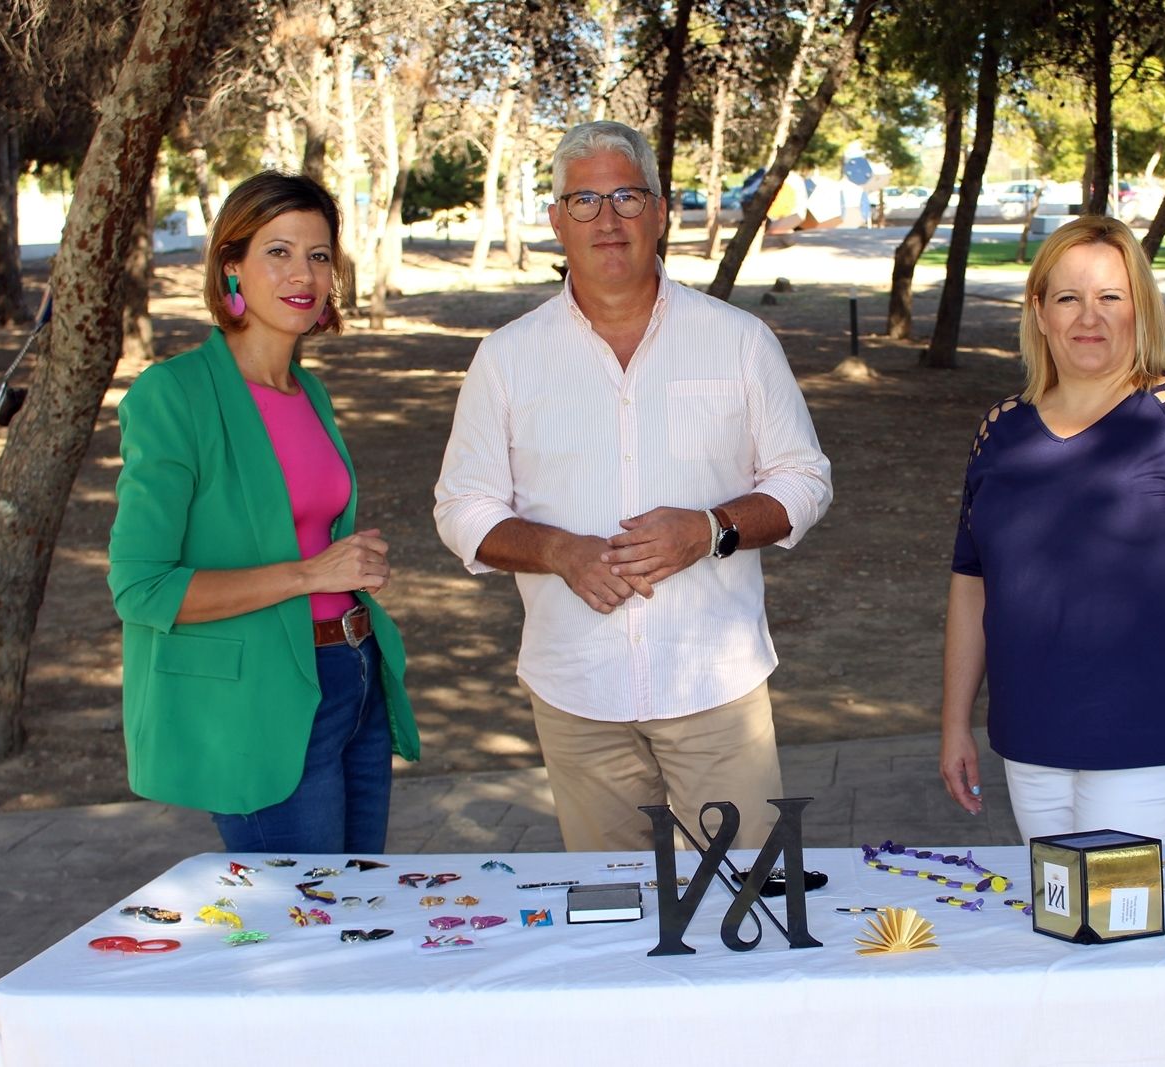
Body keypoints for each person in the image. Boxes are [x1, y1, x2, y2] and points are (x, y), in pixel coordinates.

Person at [434, 120, 831, 852]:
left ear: (661, 210)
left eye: (626, 195)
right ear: (555, 221)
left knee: (750, 904)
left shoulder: (740, 340)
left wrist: (708, 529)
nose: (607, 219)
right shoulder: (507, 358)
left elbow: (803, 479)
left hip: (715, 688)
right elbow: (463, 505)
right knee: (614, 920)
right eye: (582, 201)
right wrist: (558, 551)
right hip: (576, 690)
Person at [938, 215, 1165, 846]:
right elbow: (972, 585)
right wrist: (954, 722)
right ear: (1039, 311)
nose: (1088, 319)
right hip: (1031, 738)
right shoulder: (1000, 430)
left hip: (1153, 735)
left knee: (1118, 928)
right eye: (1068, 298)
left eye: (1110, 298)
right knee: (1060, 921)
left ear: (1141, 310)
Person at [108, 171, 419, 853]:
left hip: (354, 678)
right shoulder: (174, 395)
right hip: (260, 704)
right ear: (232, 267)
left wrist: (344, 568)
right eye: (277, 251)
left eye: (317, 254)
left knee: (358, 912)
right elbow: (141, 587)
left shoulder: (310, 391)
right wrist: (310, 573)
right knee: (300, 932)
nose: (301, 273)